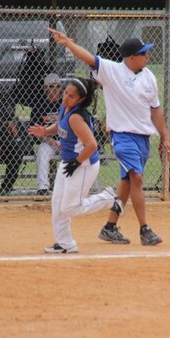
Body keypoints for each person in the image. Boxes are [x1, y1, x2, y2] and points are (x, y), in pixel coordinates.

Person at [48, 28, 170, 246]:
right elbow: (88, 58)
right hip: (122, 135)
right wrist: (68, 43)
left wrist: (165, 136)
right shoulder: (113, 70)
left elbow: (156, 109)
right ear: (131, 58)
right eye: (143, 53)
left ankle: (110, 227)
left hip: (142, 137)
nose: (147, 56)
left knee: (127, 180)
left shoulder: (149, 77)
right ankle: (145, 229)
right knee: (138, 178)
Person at [27, 77, 124, 254]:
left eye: (71, 96)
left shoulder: (77, 118)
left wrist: (77, 163)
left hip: (83, 165)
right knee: (57, 203)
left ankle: (108, 199)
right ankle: (65, 243)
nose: (65, 98)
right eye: (65, 93)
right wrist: (46, 131)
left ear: (80, 100)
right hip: (69, 162)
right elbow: (60, 125)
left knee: (71, 207)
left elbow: (92, 145)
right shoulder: (65, 108)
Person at [30, 73, 63, 196]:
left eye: (58, 86)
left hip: (66, 140)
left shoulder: (65, 104)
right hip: (48, 142)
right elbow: (34, 130)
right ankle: (43, 188)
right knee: (42, 151)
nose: (55, 89)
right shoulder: (38, 106)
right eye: (51, 86)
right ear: (44, 88)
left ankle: (72, 187)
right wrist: (50, 140)